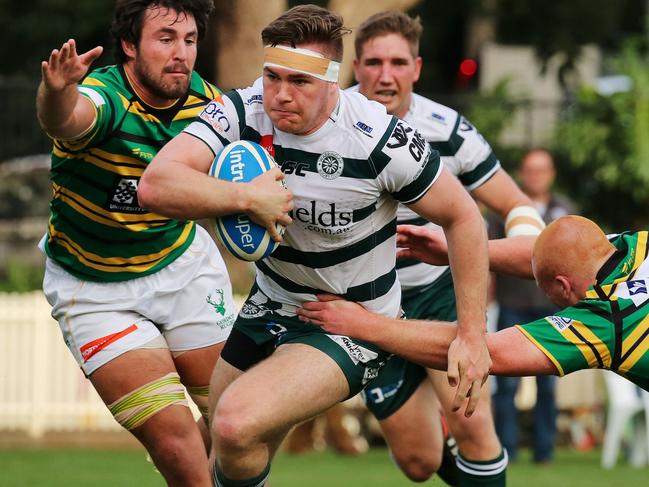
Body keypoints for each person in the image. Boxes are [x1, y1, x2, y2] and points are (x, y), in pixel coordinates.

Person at [138, 5, 491, 486]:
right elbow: (155, 185)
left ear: (332, 82)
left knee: (234, 423)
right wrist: (246, 197)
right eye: (272, 77)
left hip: (352, 323)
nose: (280, 95)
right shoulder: (244, 110)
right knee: (221, 446)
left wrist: (472, 337)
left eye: (299, 82)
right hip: (270, 303)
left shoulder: (379, 139)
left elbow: (463, 217)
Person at [36, 1, 291, 485]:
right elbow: (69, 118)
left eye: (190, 40)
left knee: (241, 417)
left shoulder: (210, 107)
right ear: (130, 46)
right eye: (165, 39)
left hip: (182, 268)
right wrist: (55, 94)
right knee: (176, 441)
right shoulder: (105, 95)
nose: (181, 54)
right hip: (95, 290)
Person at [350, 11, 546, 485]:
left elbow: (515, 202)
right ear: (356, 68)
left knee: (475, 428)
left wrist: (524, 246)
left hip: (439, 298)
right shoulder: (329, 121)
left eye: (398, 62)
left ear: (417, 68)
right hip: (368, 305)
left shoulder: (449, 130)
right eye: (373, 62)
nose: (385, 75)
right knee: (417, 463)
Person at [299, 214, 649, 391]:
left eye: (547, 291)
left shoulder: (607, 321)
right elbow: (557, 251)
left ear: (562, 285)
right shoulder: (636, 245)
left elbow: (484, 352)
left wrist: (364, 324)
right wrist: (458, 252)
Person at [489, 148, 577, 463]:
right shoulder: (504, 213)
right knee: (505, 386)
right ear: (521, 174)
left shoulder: (565, 211)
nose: (536, 176)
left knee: (549, 385)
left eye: (542, 170)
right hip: (512, 304)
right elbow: (489, 258)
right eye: (530, 170)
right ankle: (506, 450)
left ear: (551, 174)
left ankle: (544, 452)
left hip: (553, 308)